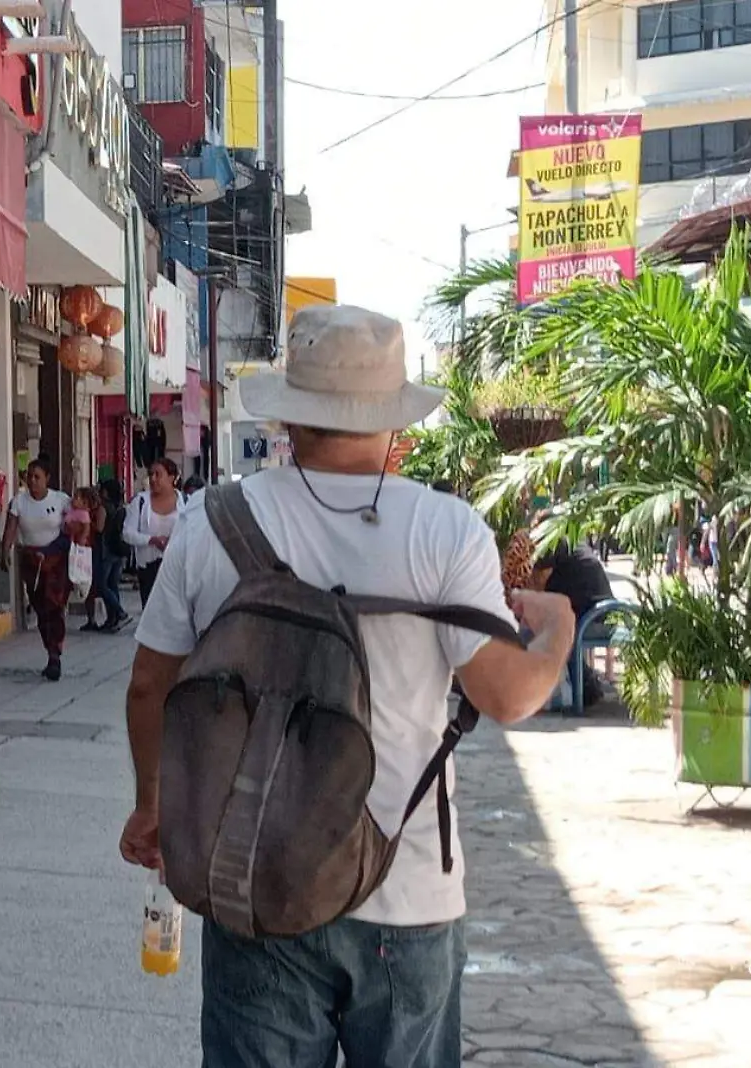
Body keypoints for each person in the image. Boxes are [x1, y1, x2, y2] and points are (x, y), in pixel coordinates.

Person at [119, 304, 575, 1066]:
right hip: (409, 892)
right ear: (393, 422)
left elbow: (148, 685)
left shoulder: (214, 522)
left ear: (291, 419)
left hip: (254, 880)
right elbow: (509, 695)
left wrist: (153, 806)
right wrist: (557, 629)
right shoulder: (445, 530)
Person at [529, 525, 617, 707]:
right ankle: (586, 686)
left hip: (592, 619)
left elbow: (538, 580)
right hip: (607, 615)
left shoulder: (553, 543)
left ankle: (582, 691)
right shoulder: (574, 542)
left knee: (555, 633)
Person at [1, 455, 71, 681]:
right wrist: (5, 552)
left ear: (47, 479)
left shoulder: (61, 500)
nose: (32, 481)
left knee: (55, 604)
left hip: (55, 561)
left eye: (37, 477)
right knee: (40, 607)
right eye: (29, 476)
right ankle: (49, 648)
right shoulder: (19, 502)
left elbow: (73, 529)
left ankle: (55, 655)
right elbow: (11, 528)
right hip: (31, 560)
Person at [123, 457, 183, 607]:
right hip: (148, 569)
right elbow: (127, 533)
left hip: (178, 568)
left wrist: (173, 541)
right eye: (151, 474)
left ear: (172, 477)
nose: (153, 479)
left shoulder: (186, 503)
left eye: (158, 474)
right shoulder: (140, 502)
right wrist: (152, 540)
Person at [87, 478, 130, 632]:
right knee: (113, 585)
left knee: (101, 584)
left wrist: (87, 521)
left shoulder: (103, 508)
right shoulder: (121, 507)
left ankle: (119, 611)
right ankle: (112, 620)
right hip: (118, 550)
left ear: (105, 491)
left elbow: (99, 528)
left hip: (105, 551)